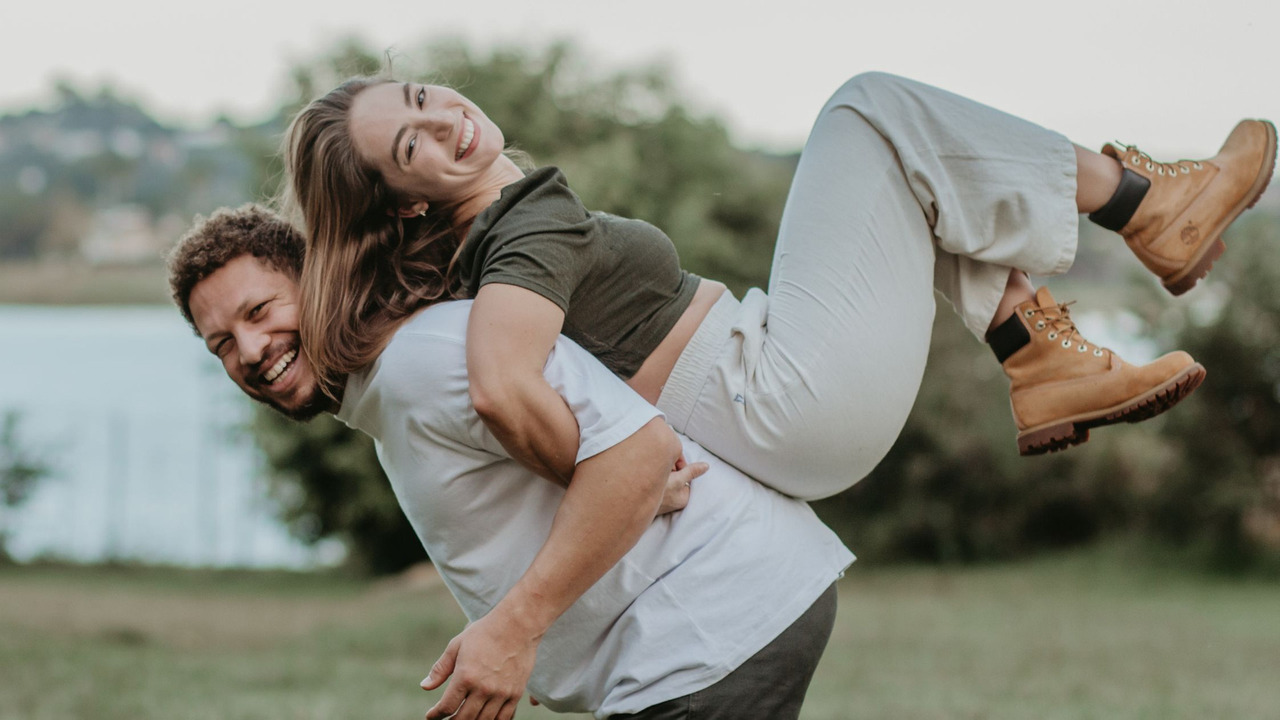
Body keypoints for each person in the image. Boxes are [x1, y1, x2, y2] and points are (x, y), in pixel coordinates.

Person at [284, 71, 1276, 500]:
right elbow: (503, 383)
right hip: (783, 400)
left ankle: (1038, 355)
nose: (447, 120)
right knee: (868, 108)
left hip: (779, 403)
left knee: (910, 167)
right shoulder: (521, 225)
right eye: (413, 143)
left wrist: (620, 463)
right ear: (403, 202)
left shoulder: (493, 241)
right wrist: (620, 478)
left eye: (419, 99)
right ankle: (1147, 205)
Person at [167, 205, 855, 720]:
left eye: (260, 311)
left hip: (710, 628)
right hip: (700, 636)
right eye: (221, 343)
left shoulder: (420, 360)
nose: (251, 350)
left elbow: (641, 455)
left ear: (317, 281)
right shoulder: (387, 392)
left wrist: (513, 626)